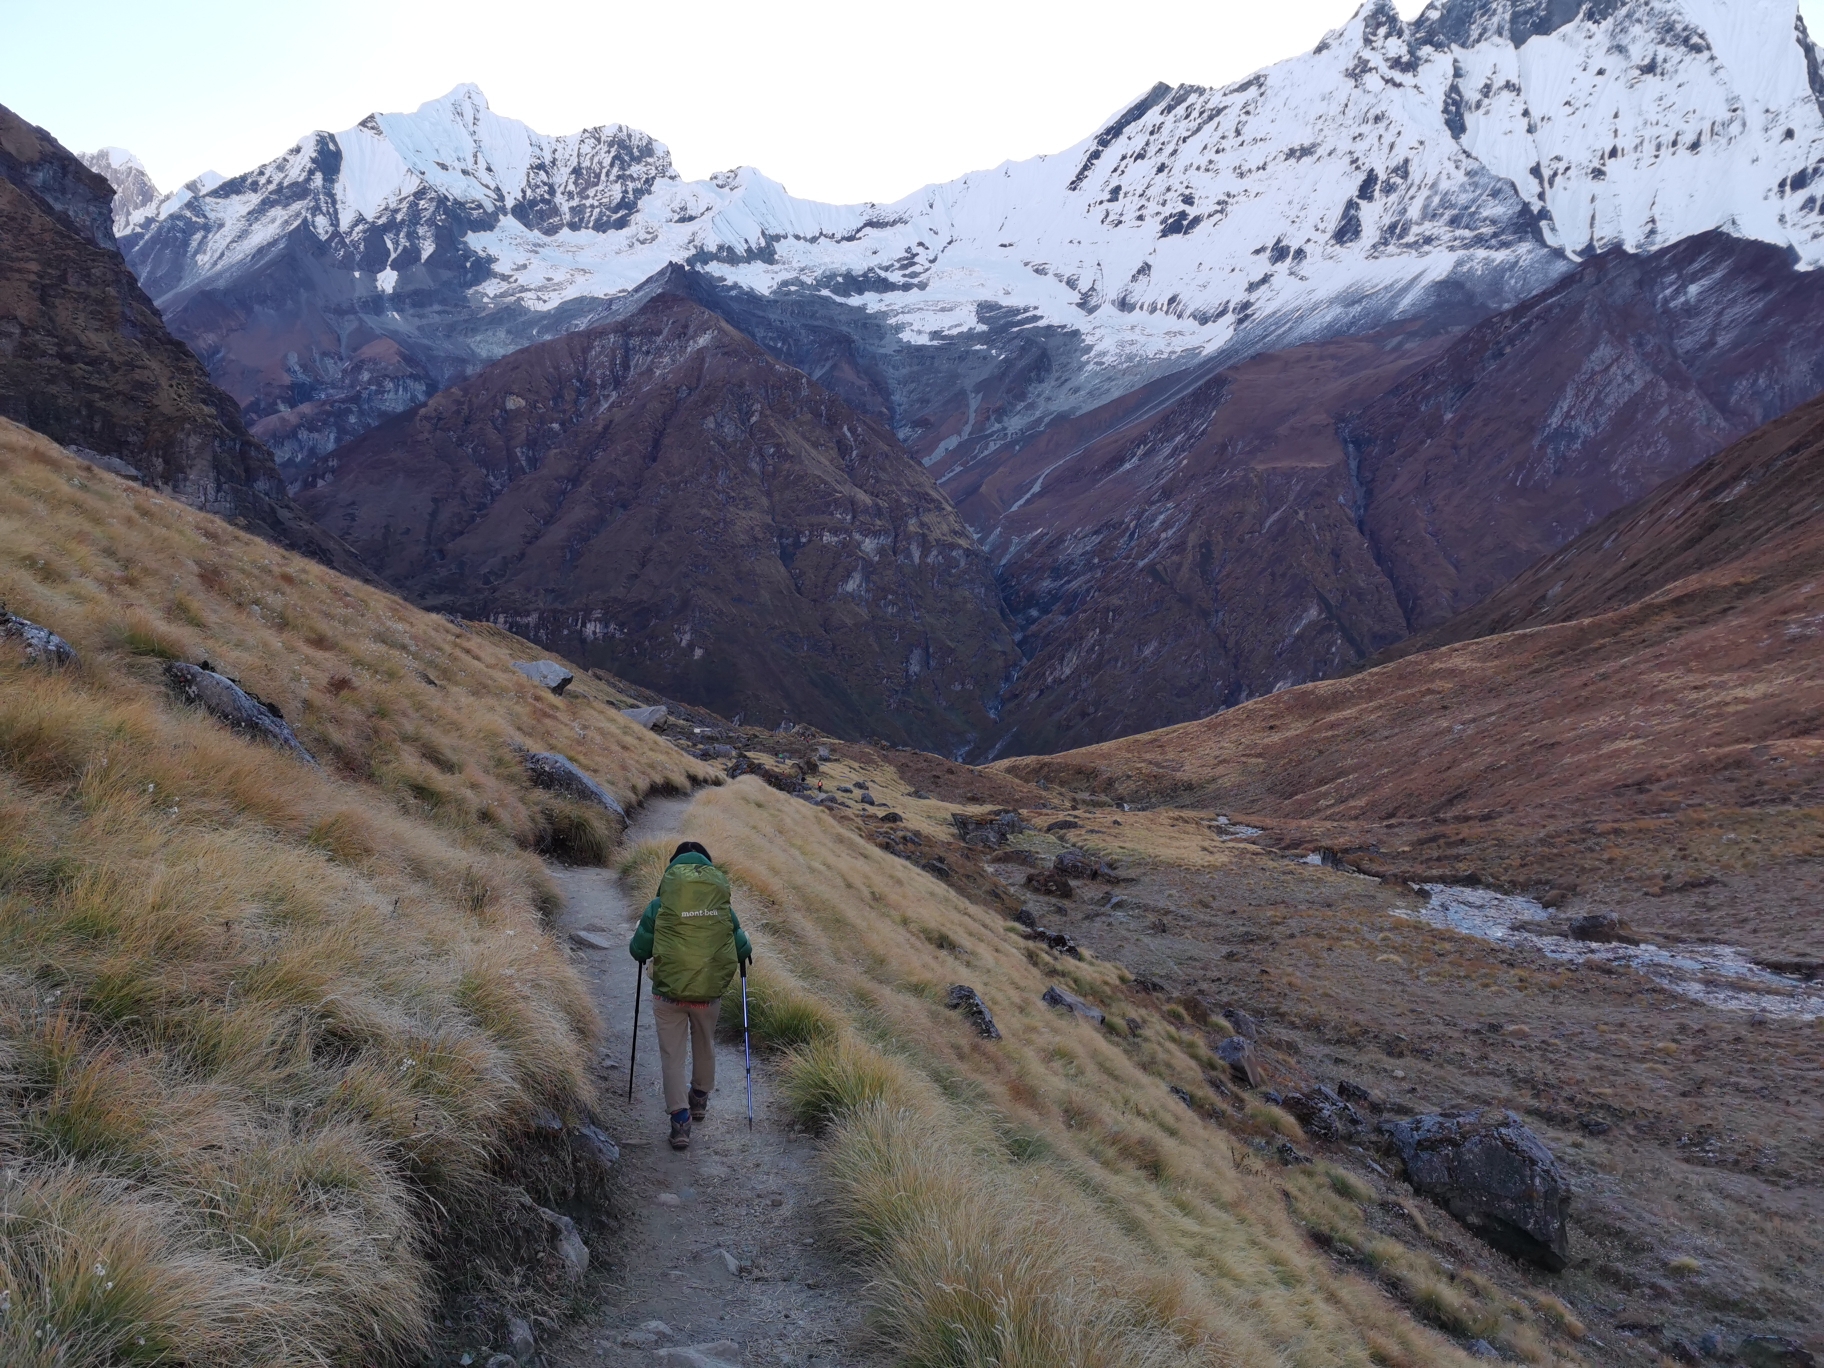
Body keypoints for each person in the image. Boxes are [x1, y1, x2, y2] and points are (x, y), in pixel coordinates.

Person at [628, 841, 752, 1150]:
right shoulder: (723, 906)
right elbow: (743, 948)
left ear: (673, 870)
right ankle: (699, 1098)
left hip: (668, 995)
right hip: (708, 994)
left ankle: (680, 1122)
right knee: (705, 1045)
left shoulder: (660, 905)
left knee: (672, 1055)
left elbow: (638, 950)